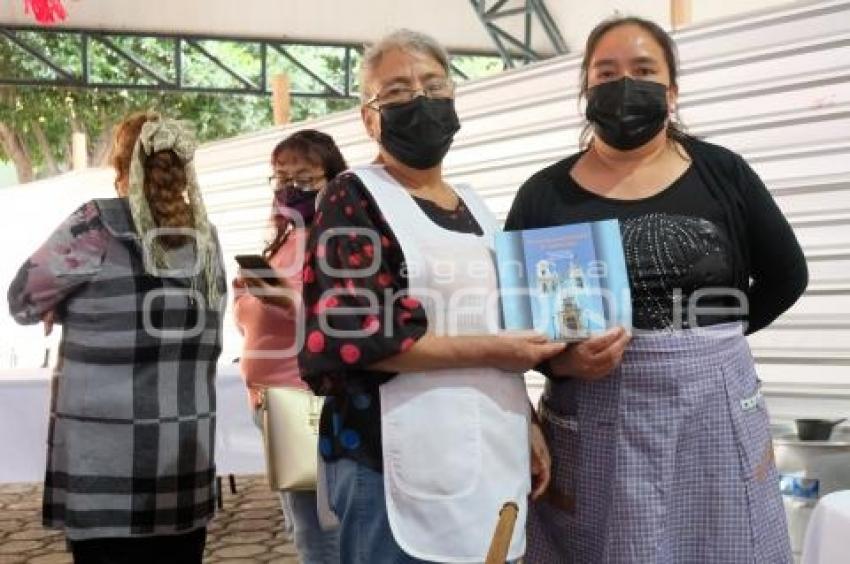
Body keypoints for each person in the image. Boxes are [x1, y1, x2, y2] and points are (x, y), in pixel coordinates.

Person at [504, 16, 807, 563]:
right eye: (606, 71)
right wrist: (566, 363)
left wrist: (707, 347)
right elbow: (520, 322)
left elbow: (787, 276)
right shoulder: (544, 195)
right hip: (593, 418)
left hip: (714, 413)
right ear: (585, 88)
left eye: (644, 70)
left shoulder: (722, 173)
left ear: (671, 90)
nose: (625, 84)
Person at [297, 29, 562, 564]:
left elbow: (497, 320)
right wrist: (494, 352)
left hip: (489, 449)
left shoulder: (476, 206)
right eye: (396, 92)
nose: (419, 100)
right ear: (369, 117)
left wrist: (527, 422)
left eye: (433, 85)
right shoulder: (352, 197)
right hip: (386, 461)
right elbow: (354, 336)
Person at [7, 112, 227, 564]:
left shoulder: (97, 225)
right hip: (182, 466)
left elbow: (22, 300)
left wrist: (63, 303)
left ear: (120, 165)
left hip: (106, 475)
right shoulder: (206, 239)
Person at [233, 129, 345, 563]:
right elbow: (256, 322)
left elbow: (339, 318)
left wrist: (282, 299)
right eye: (280, 178)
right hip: (273, 401)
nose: (288, 190)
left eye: (304, 180)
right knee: (299, 518)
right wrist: (247, 294)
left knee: (315, 526)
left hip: (301, 399)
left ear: (333, 182)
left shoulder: (335, 239)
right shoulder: (283, 240)